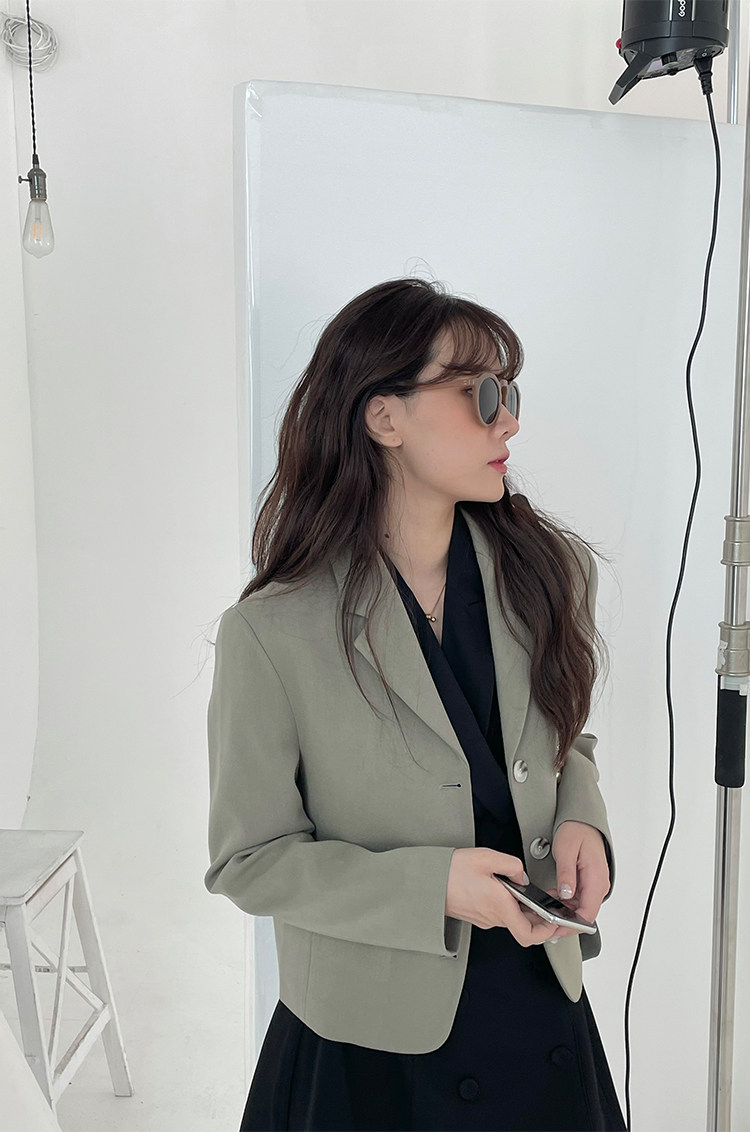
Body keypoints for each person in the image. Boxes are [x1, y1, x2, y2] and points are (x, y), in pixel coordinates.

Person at [204, 277, 626, 1131]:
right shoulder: (273, 631)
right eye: (481, 394)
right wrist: (432, 887)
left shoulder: (549, 574)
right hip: (368, 1050)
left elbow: (562, 736)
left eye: (510, 394)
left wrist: (582, 816)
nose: (508, 422)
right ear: (384, 417)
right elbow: (249, 861)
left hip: (540, 1011)